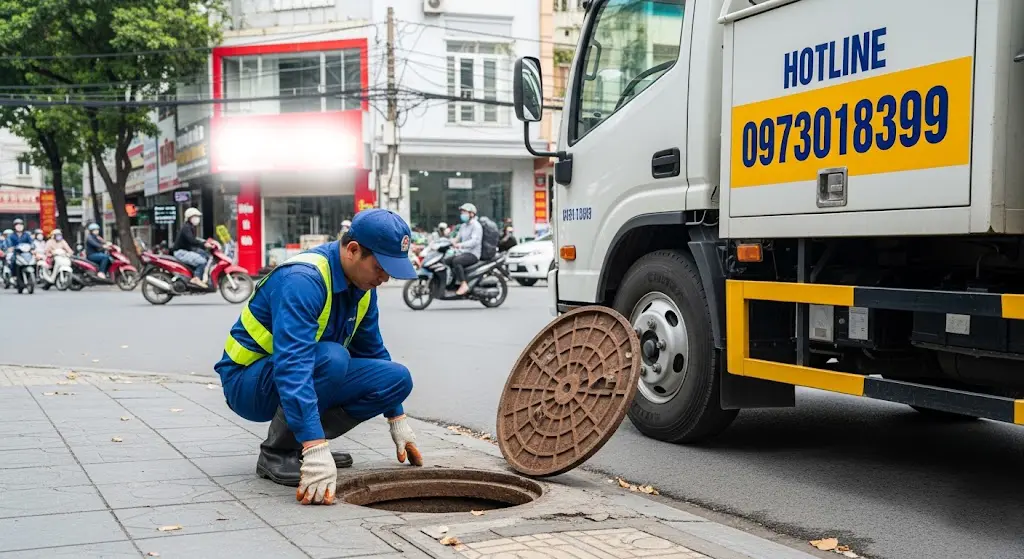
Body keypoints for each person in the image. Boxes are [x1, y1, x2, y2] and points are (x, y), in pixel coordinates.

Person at [214, 208, 422, 506]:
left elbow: (374, 351)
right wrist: (315, 445)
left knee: (395, 378)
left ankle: (301, 444)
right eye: (380, 267)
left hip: (295, 371)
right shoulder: (303, 280)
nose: (385, 278)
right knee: (332, 358)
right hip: (248, 382)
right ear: (353, 250)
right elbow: (293, 365)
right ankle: (278, 453)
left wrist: (397, 418)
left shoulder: (362, 287)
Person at [173, 208, 210, 289]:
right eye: (195, 216)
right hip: (181, 252)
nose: (197, 218)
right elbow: (192, 240)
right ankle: (196, 278)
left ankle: (199, 276)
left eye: (198, 216)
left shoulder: (190, 227)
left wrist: (206, 242)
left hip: (186, 250)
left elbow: (194, 239)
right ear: (190, 217)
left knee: (204, 255)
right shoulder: (186, 227)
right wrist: (204, 244)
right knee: (202, 261)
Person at [450, 203, 482, 296]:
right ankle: (452, 284)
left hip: (473, 254)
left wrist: (460, 245)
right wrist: (448, 241)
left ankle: (464, 284)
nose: (462, 214)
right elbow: (457, 238)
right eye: (462, 212)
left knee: (456, 261)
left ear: (471, 214)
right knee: (447, 260)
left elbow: (474, 241)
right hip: (463, 252)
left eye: (464, 212)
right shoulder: (463, 226)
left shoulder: (476, 226)